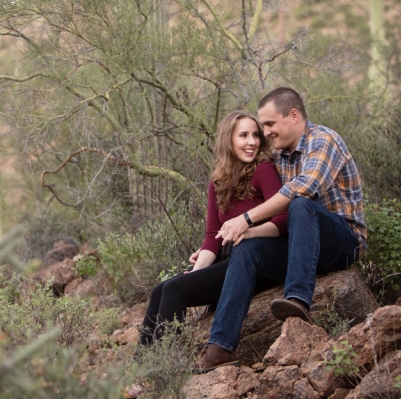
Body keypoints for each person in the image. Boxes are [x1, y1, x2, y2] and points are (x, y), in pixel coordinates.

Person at [194, 87, 366, 372]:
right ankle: (220, 346)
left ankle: (296, 299)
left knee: (300, 204)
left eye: (270, 124)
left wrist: (246, 220)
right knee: (246, 248)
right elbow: (250, 194)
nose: (266, 132)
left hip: (342, 241)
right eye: (263, 126)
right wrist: (222, 237)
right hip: (299, 246)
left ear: (294, 115)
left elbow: (302, 190)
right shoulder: (279, 156)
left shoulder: (323, 140)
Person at [138, 110, 287, 353]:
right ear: (228, 140)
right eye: (243, 136)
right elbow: (212, 237)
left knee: (176, 291)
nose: (252, 142)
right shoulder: (218, 181)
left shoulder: (263, 171)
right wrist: (196, 274)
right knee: (161, 289)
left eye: (255, 135)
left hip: (257, 261)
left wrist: (250, 231)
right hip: (228, 259)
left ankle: (163, 367)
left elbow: (284, 220)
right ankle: (140, 371)